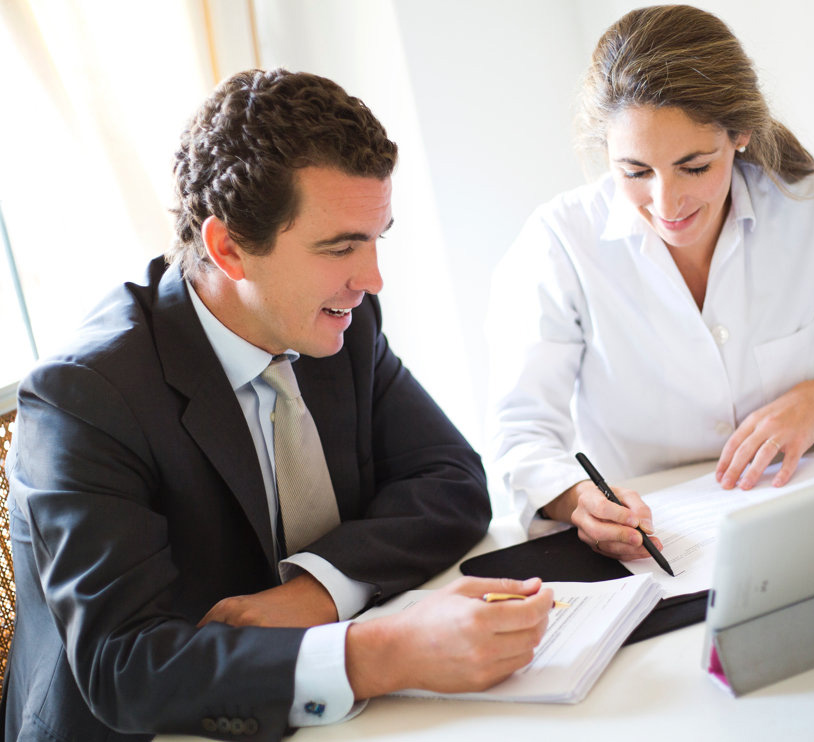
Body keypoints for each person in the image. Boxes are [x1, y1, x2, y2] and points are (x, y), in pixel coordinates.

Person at [2, 69, 554, 741]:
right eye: (339, 246)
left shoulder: (339, 321)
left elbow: (451, 482)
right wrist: (381, 652)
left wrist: (317, 593)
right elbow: (127, 667)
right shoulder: (86, 396)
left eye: (376, 236)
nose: (371, 278)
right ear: (228, 247)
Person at [487, 5, 814, 559]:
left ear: (741, 134)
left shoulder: (806, 209)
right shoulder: (560, 242)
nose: (666, 203)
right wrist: (577, 496)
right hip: (659, 545)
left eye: (695, 167)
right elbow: (522, 433)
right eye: (634, 171)